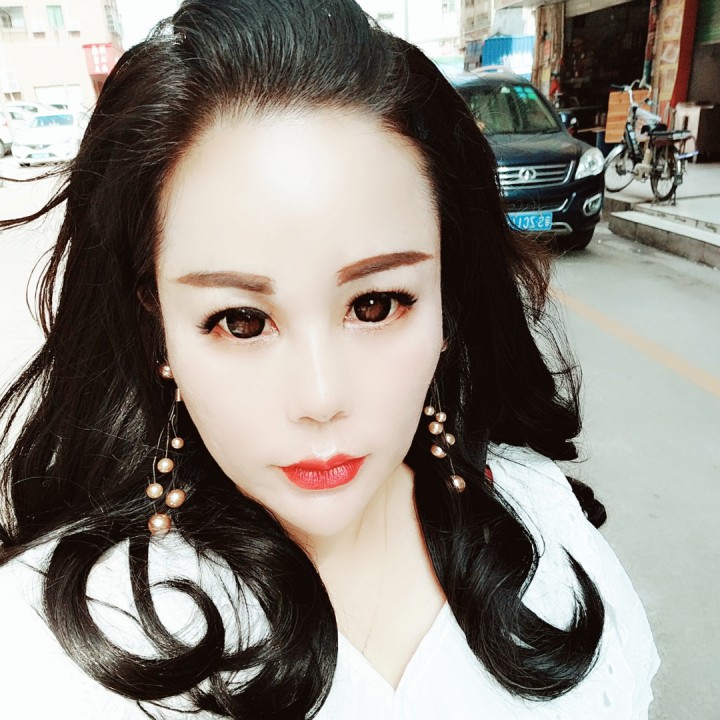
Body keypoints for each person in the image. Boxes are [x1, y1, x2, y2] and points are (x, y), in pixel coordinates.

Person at [0, 1, 659, 718]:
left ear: (449, 303)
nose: (320, 397)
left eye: (375, 305)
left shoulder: (538, 514)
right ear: (157, 329)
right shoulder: (57, 650)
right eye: (241, 321)